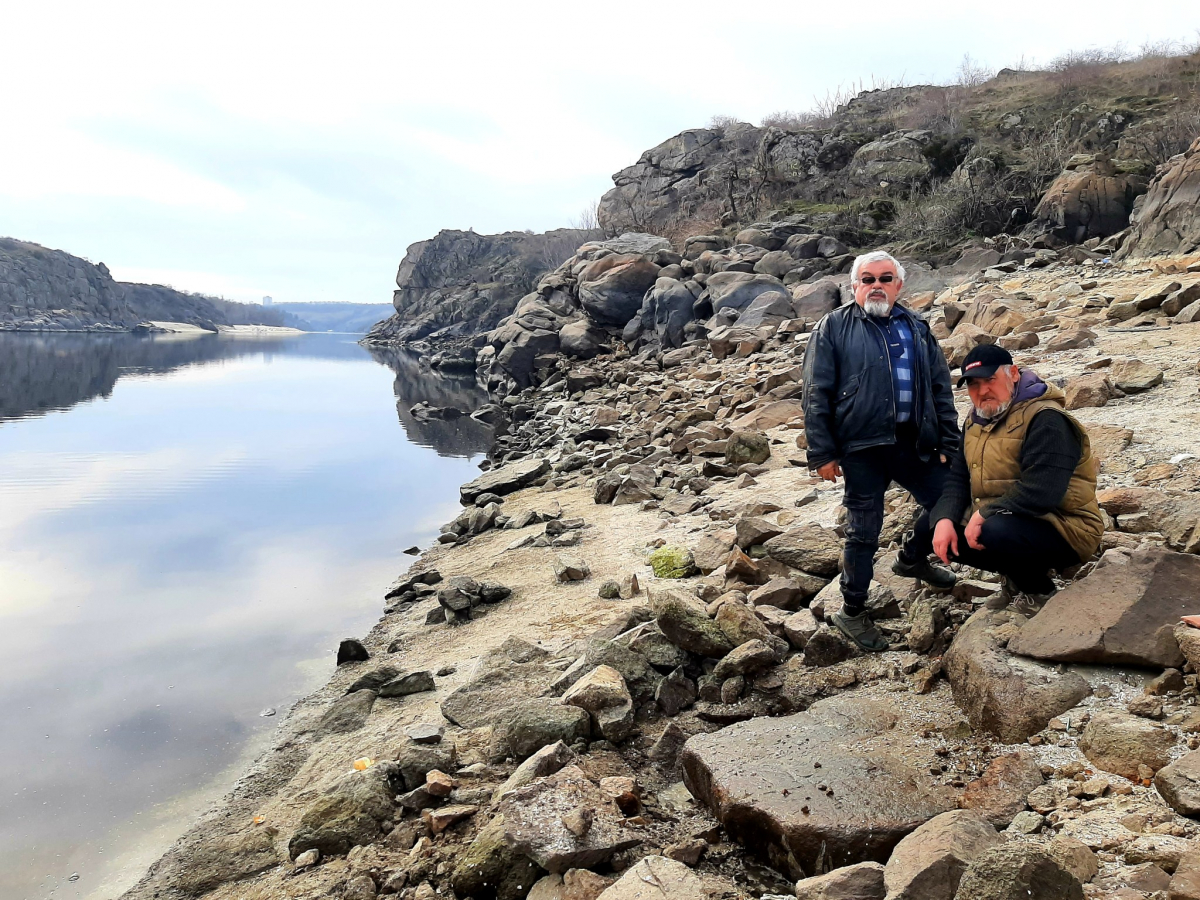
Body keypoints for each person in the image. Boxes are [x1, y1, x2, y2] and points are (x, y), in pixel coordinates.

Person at [802, 250, 961, 652]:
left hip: (915, 442)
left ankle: (911, 558)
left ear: (899, 285)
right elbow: (815, 393)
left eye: (885, 278)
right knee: (863, 531)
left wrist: (949, 442)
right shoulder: (833, 328)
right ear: (853, 286)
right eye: (867, 279)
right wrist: (822, 453)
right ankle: (852, 611)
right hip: (860, 448)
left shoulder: (917, 327)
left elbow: (940, 389)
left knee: (952, 501)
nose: (876, 285)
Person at [931, 344, 1103, 615]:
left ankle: (1039, 591)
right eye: (974, 384)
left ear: (1012, 374)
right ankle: (1015, 577)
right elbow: (958, 478)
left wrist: (983, 514)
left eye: (990, 380)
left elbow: (1043, 491)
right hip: (1016, 520)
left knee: (993, 529)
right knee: (937, 528)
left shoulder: (1046, 419)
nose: (982, 390)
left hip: (1067, 526)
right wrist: (943, 520)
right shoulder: (975, 422)